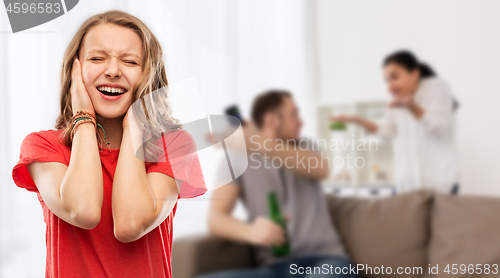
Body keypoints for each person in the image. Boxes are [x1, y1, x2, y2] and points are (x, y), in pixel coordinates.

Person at [11, 10, 206, 278]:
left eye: (129, 61)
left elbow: (129, 225)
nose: (112, 71)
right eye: (97, 58)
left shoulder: (174, 146)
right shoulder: (44, 146)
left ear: (149, 75)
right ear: (75, 70)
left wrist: (135, 126)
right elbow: (83, 211)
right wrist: (84, 119)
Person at [198, 90, 359, 278]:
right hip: (274, 268)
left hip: (327, 261)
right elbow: (215, 219)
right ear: (272, 120)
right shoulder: (236, 157)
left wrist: (257, 141)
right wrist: (250, 232)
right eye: (294, 115)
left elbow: (322, 169)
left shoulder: (306, 147)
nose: (301, 122)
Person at [330, 50, 459, 195]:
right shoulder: (398, 99)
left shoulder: (437, 87)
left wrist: (412, 107)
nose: (390, 86)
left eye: (395, 77)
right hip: (407, 184)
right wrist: (358, 120)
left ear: (415, 74)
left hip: (439, 185)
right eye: (386, 80)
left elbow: (439, 129)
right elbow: (389, 132)